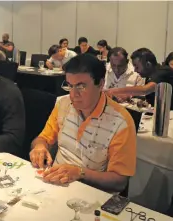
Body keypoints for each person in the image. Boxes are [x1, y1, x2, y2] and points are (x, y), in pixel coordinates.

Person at [30, 54, 136, 193]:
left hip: (91, 195)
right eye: (69, 86)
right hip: (54, 184)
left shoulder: (121, 122)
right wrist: (39, 147)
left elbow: (119, 182)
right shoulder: (63, 104)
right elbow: (42, 139)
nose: (73, 94)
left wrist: (79, 173)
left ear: (101, 84)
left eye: (81, 86)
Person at [106, 48, 173, 113]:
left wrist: (113, 91)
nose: (135, 70)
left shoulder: (162, 72)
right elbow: (147, 96)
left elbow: (145, 90)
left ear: (148, 65)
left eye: (137, 66)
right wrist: (129, 97)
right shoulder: (152, 75)